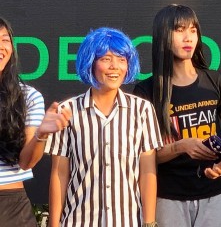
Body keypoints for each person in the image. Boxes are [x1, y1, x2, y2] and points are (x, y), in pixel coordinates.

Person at [134, 4, 221, 226]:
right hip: (168, 197)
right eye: (179, 30)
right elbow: (143, 156)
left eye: (193, 30)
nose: (188, 37)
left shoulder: (215, 80)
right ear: (163, 35)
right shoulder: (146, 91)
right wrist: (180, 146)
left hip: (216, 193)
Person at [46, 27, 162, 227]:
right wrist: (54, 224)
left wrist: (149, 223)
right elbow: (59, 173)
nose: (114, 66)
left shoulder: (142, 109)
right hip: (78, 221)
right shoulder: (67, 111)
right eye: (106, 59)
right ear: (90, 63)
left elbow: (147, 171)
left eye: (121, 59)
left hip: (128, 221)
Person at [0, 17, 71, 227]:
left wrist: (42, 134)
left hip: (10, 208)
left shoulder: (27, 97)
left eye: (5, 40)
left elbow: (26, 162)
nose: (1, 46)